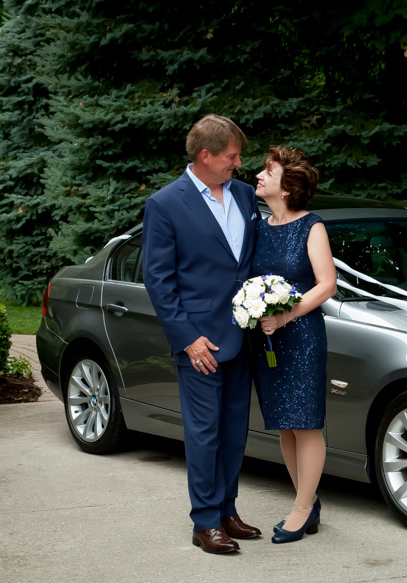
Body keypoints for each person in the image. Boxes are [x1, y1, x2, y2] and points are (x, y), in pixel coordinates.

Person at [142, 114, 262, 554]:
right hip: (200, 344)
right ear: (206, 156)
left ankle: (228, 510)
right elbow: (159, 280)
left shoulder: (246, 196)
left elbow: (246, 264)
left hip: (242, 336)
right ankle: (205, 521)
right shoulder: (165, 203)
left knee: (234, 431)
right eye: (232, 156)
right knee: (204, 432)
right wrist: (187, 338)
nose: (239, 163)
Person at [252, 147, 336, 544]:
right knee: (284, 425)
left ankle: (301, 510)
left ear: (287, 188)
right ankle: (309, 502)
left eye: (268, 172)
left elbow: (326, 284)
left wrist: (286, 315)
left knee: (305, 424)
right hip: (267, 339)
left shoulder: (311, 227)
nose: (259, 175)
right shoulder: (259, 226)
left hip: (300, 336)